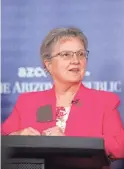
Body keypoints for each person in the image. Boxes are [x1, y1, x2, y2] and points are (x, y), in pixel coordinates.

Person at [1, 27, 124, 159]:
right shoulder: (28, 102)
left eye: (81, 54)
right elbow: (3, 138)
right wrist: (18, 136)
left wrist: (69, 140)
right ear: (48, 64)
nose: (76, 60)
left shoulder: (104, 101)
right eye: (66, 55)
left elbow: (119, 146)